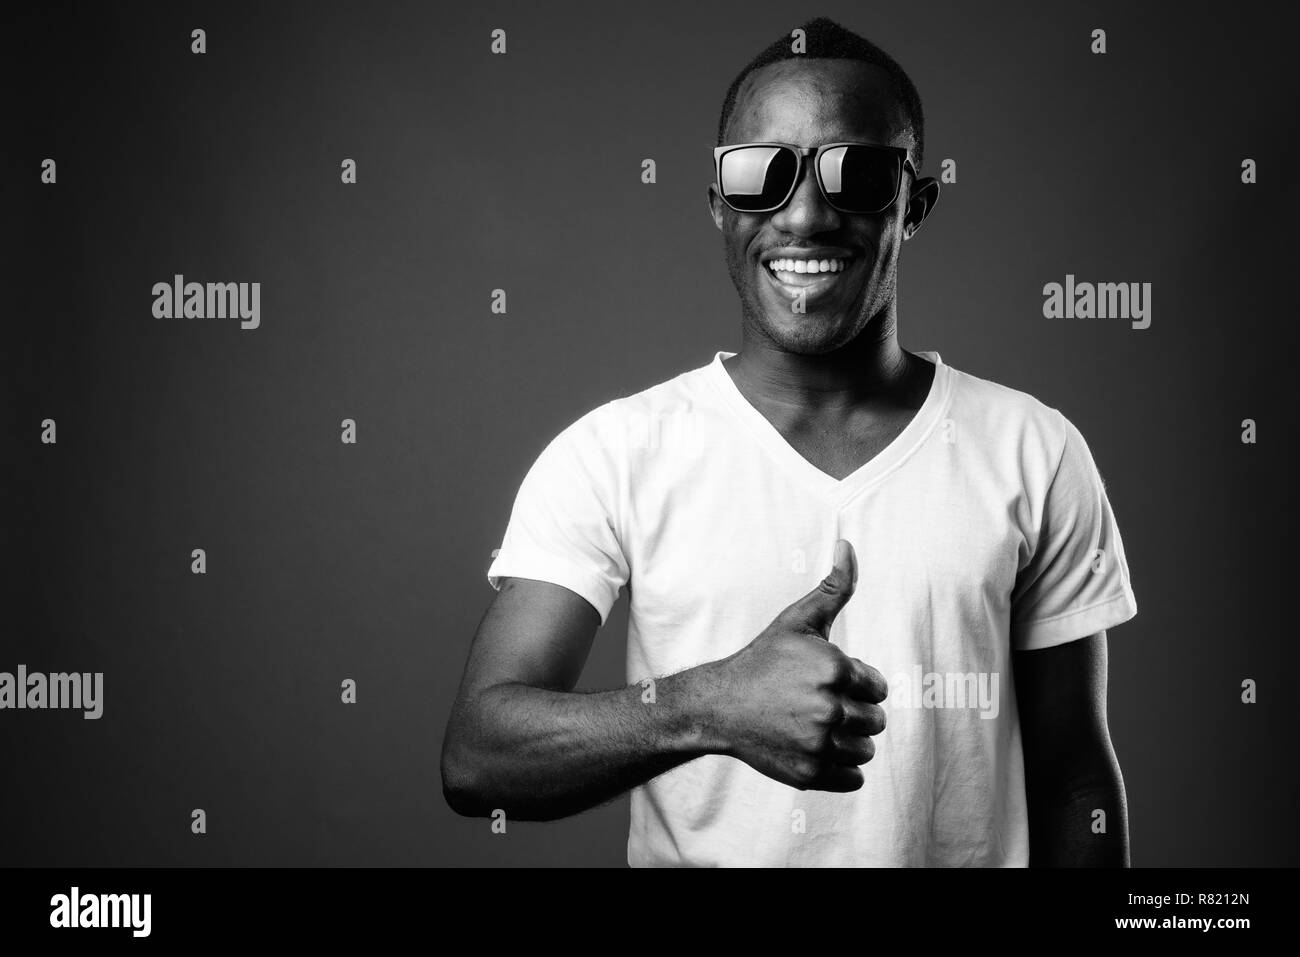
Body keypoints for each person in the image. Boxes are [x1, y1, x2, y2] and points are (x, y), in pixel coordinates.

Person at [442, 17, 1137, 867]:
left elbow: (1075, 783)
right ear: (718, 203)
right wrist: (707, 706)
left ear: (913, 206)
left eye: (858, 174)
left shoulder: (1035, 450)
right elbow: (478, 755)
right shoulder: (614, 452)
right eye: (759, 175)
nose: (805, 215)